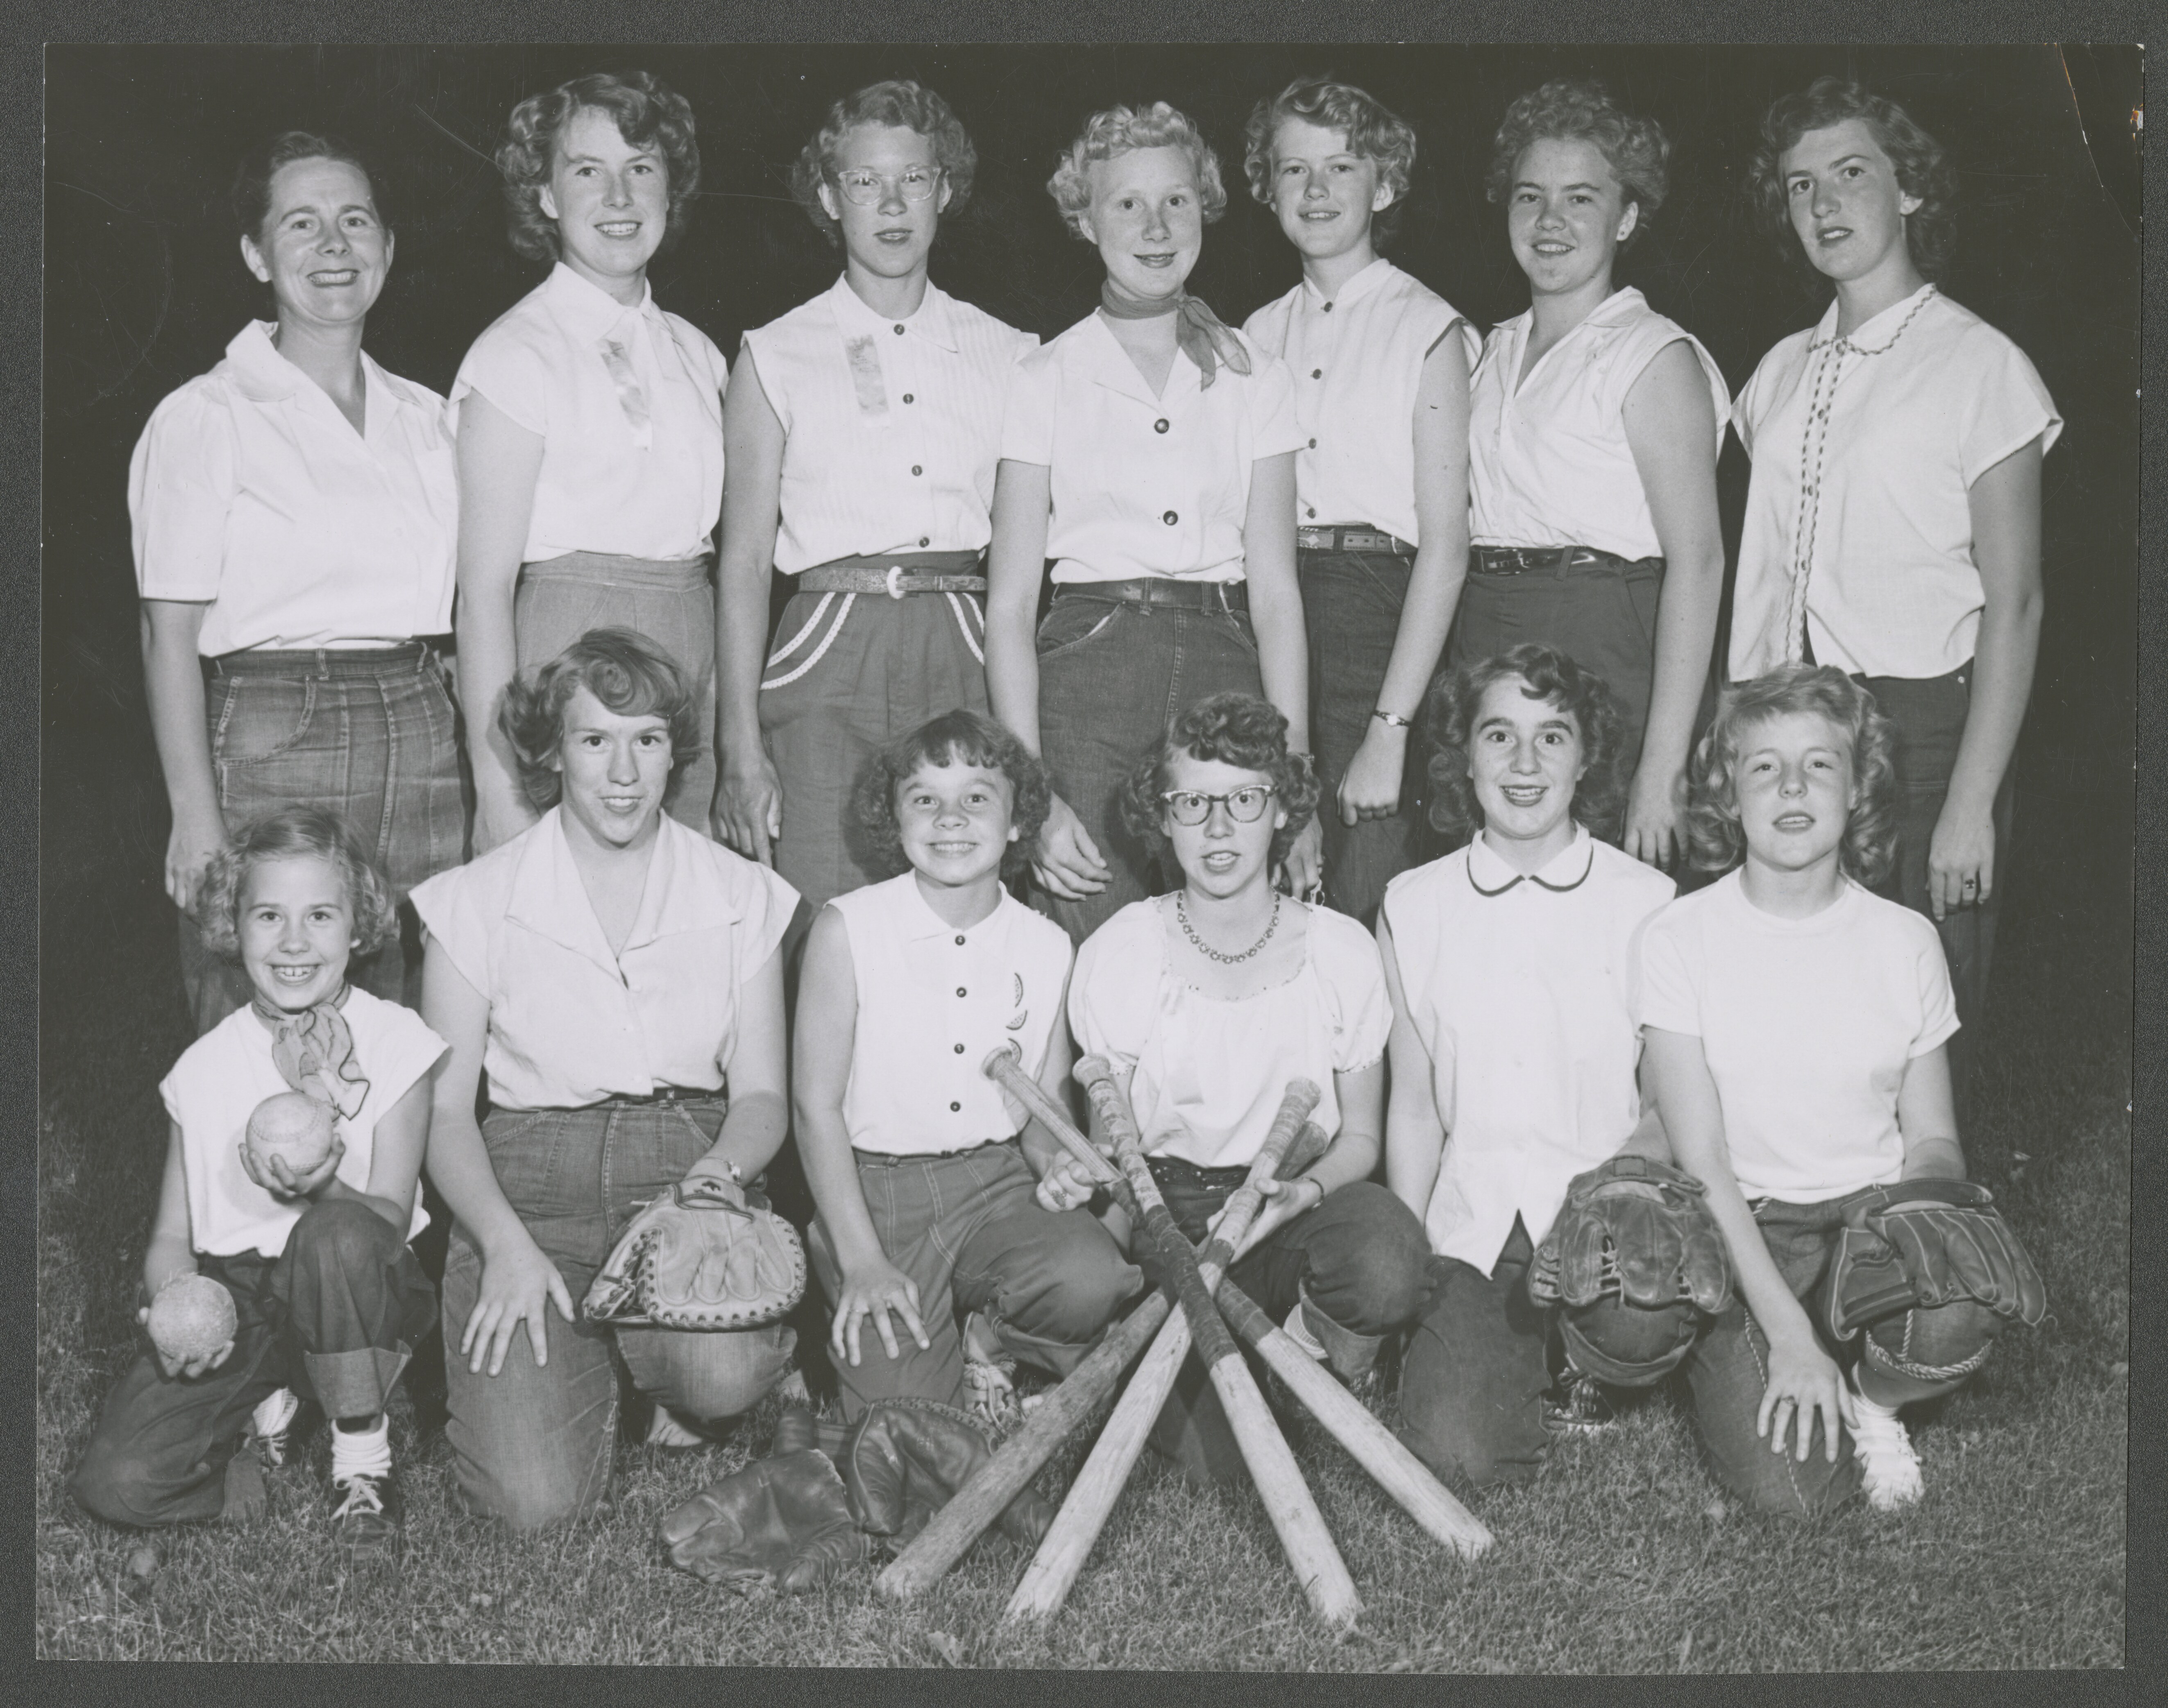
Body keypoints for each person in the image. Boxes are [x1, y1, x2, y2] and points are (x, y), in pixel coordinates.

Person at [412, 630, 797, 1529]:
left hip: (686, 1169)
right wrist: (503, 1245)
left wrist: (717, 1180)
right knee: (533, 1507)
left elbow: (763, 1097)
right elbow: (443, 1113)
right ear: (552, 753)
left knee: (721, 1371)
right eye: (595, 741)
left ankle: (664, 1374)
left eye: (648, 740)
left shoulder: (741, 892)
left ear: (676, 754)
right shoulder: (474, 899)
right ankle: (598, 1363)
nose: (623, 773)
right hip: (530, 1189)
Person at [1729, 79, 2058, 1101]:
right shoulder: (1779, 372)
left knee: (1918, 1016)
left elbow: (2018, 604)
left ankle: (1923, 1233)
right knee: (1793, 995)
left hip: (1918, 728)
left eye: (1852, 173)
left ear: (1910, 190)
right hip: (1787, 725)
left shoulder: (1980, 363)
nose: (1824, 203)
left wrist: (1971, 800)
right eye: (1799, 186)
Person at [1640, 666, 2012, 1516]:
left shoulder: (1906, 940)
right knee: (1799, 1499)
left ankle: (1877, 1402)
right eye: (1764, 767)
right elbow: (1700, 1158)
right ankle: (1777, 1347)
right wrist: (1785, 1334)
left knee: (1960, 1316)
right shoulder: (1679, 936)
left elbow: (1934, 1139)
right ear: (1727, 796)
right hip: (1751, 1224)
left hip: (1868, 1222)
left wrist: (1927, 1217)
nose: (1794, 786)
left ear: (1859, 789)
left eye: (1820, 764)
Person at [133, 131, 463, 1033]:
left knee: (402, 1021)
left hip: (422, 726)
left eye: (355, 221)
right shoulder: (208, 416)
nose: (333, 247)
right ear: (255, 254)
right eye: (301, 224)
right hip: (281, 727)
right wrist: (194, 815)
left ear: (388, 248)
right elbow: (167, 634)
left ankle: (389, 1185)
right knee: (261, 1018)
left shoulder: (429, 418)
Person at [1064, 693, 1431, 1485]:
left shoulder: (1340, 950)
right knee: (1217, 1467)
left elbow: (1361, 1139)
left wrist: (1301, 1192)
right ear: (1162, 817)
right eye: (1193, 803)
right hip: (1175, 1214)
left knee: (1389, 1257)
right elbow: (1110, 1148)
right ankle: (1257, 1369)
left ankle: (1316, 1342)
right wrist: (1128, 1228)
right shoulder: (1122, 949)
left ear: (1282, 811)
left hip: (1297, 1200)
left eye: (1244, 799)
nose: (1219, 828)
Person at [985, 101, 1321, 947]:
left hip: (1224, 659)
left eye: (1176, 200)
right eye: (1126, 203)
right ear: (1084, 217)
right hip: (1088, 670)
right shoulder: (1043, 376)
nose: (1155, 225)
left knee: (1224, 944)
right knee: (1090, 940)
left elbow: (1278, 594)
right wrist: (1034, 793)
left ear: (1204, 207)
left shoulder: (1256, 375)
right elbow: (1011, 602)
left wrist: (1296, 782)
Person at [70, 806, 444, 1554]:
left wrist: (315, 1188)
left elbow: (390, 1216)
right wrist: (172, 1307)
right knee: (116, 1480)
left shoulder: (398, 1040)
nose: (295, 941)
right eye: (269, 915)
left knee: (335, 1234)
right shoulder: (203, 1068)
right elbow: (173, 1236)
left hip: (362, 1284)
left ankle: (361, 1460)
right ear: (233, 924)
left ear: (358, 925)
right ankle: (259, 1439)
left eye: (320, 915)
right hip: (242, 1292)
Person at [714, 81, 1036, 922]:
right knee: (823, 915)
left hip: (963, 639)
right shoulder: (774, 353)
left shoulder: (1012, 354)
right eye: (865, 182)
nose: (892, 205)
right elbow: (744, 561)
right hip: (827, 646)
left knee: (961, 909)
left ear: (945, 190)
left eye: (915, 180)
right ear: (830, 196)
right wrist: (738, 743)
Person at [1380, 646, 1683, 1489]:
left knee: (1637, 1325)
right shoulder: (1413, 905)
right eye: (1499, 736)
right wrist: (1410, 1266)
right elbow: (1413, 1110)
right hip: (1475, 1227)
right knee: (1457, 1453)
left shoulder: (1648, 904)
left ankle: (1600, 1354)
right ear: (1463, 754)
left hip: (1605, 1223)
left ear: (1585, 759)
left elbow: (1667, 1109)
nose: (1524, 764)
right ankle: (1508, 1351)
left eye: (1553, 739)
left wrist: (1603, 1205)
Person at [793, 709, 1143, 1428]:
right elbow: (814, 1109)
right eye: (925, 798)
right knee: (909, 1429)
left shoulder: (1048, 945)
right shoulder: (846, 929)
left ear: (1019, 821)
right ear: (895, 817)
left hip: (995, 1183)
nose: (951, 817)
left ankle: (992, 1344)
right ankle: (911, 1343)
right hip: (877, 1193)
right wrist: (861, 1259)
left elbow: (1045, 1115)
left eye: (977, 797)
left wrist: (1056, 1165)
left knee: (1092, 1277)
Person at [454, 71, 729, 854]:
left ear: (670, 192)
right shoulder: (515, 353)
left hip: (686, 655)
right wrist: (499, 782)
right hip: (564, 656)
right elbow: (483, 594)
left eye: (641, 169)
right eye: (587, 171)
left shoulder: (699, 353)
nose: (618, 195)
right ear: (544, 195)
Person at [1458, 79, 1728, 872]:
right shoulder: (1489, 350)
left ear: (1628, 217)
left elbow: (1701, 562)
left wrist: (1662, 764)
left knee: (1614, 907)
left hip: (1609, 645)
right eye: (1530, 196)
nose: (1550, 221)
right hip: (1489, 639)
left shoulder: (1652, 353)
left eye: (1582, 198)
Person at [1240, 77, 1477, 926]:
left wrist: (1390, 730)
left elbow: (1446, 550)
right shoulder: (1254, 337)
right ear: (1267, 189)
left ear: (1385, 184)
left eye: (1341, 167)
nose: (1316, 192)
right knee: (1270, 891)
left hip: (1382, 627)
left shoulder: (1428, 327)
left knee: (1369, 897)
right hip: (1270, 615)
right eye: (1294, 169)